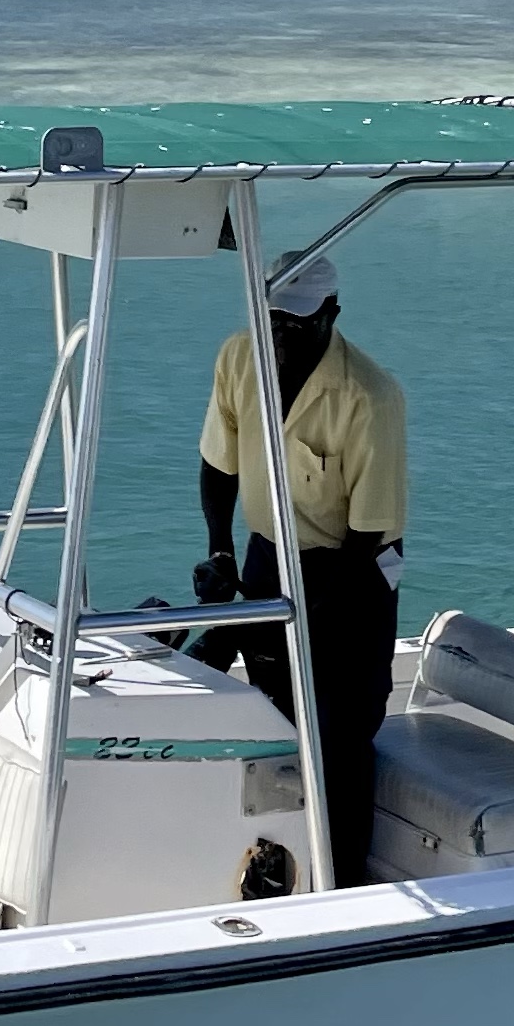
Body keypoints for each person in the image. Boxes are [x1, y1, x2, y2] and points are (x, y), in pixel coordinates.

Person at [192, 252, 405, 881]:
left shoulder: (370, 397)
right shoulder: (238, 357)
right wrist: (221, 552)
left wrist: (255, 622)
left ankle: (343, 880)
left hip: (350, 571)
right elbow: (217, 464)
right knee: (268, 712)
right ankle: (270, 862)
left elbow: (365, 538)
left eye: (296, 324)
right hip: (267, 551)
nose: (279, 335)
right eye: (271, 319)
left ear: (331, 314)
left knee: (339, 734)